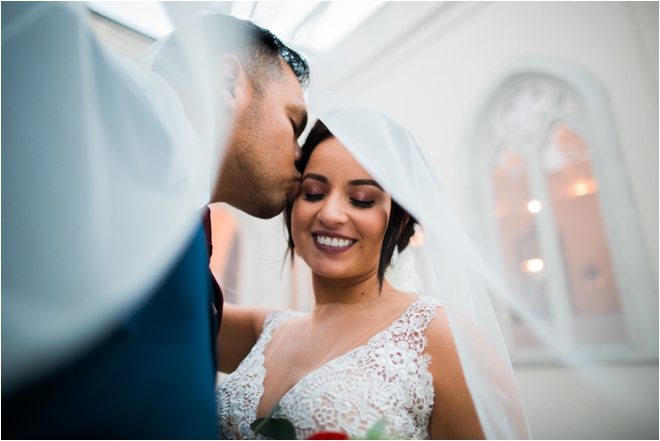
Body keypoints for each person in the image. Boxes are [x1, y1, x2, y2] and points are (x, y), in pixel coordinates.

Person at [2, 4, 310, 438]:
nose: (300, 153)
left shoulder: (180, 208)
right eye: (293, 122)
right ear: (228, 82)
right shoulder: (79, 125)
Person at [216, 90, 530, 439]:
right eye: (314, 193)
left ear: (399, 221)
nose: (330, 214)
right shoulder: (263, 331)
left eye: (361, 200)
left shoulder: (439, 336)